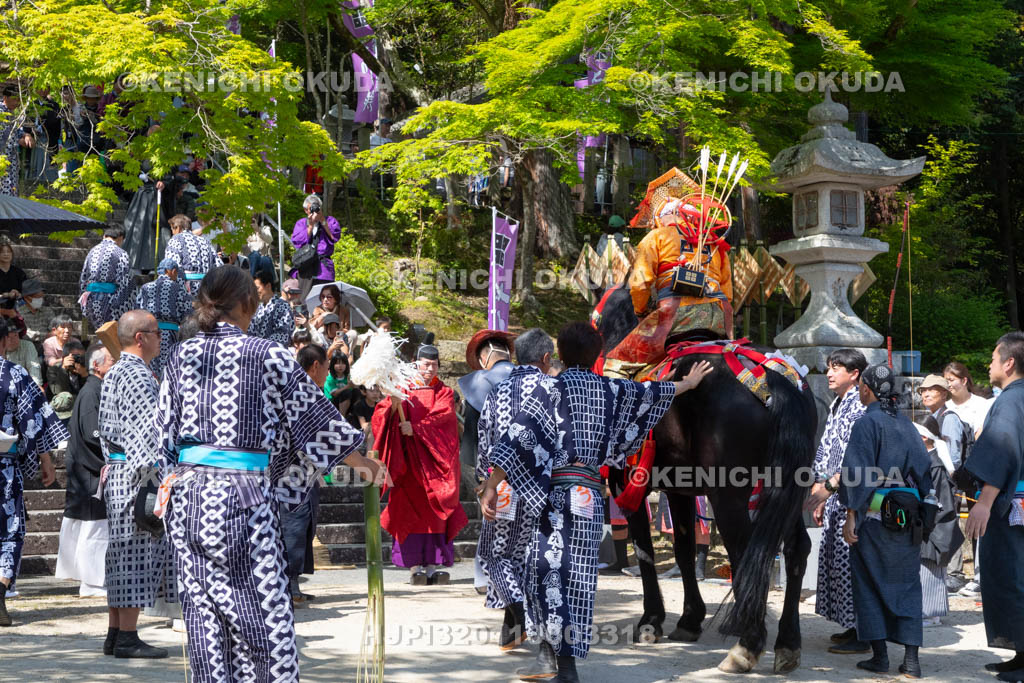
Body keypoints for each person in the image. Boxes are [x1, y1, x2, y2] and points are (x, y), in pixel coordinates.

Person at [154, 265, 383, 681]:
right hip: (242, 500)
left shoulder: (178, 357)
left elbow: (163, 437)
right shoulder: (267, 354)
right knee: (265, 626)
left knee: (207, 626)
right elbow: (312, 419)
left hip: (187, 501)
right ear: (246, 304)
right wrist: (360, 461)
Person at [479, 322, 712, 682]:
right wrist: (689, 384)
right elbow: (651, 393)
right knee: (579, 580)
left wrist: (492, 483)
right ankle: (564, 663)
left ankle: (561, 664)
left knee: (547, 575)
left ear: (558, 354)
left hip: (555, 496)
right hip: (589, 495)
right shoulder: (612, 389)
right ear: (597, 356)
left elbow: (520, 436)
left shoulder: (550, 388)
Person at [839, 364, 935, 679]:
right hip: (908, 518)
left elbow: (857, 474)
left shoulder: (867, 423)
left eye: (861, 386)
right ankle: (911, 662)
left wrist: (851, 514)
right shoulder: (908, 425)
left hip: (875, 517)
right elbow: (924, 473)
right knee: (906, 585)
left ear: (866, 388)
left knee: (867, 584)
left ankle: (880, 658)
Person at [98, 310, 175, 659]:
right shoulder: (138, 376)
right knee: (135, 554)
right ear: (141, 337)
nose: (162, 337)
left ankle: (116, 633)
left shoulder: (115, 371)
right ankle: (127, 635)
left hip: (117, 471)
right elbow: (148, 434)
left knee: (119, 555)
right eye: (157, 332)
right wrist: (158, 477)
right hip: (136, 476)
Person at [604, 190, 734, 380]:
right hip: (718, 319)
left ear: (665, 216)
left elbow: (640, 283)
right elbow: (727, 293)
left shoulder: (657, 236)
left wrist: (641, 312)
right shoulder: (714, 243)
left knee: (615, 366)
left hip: (676, 316)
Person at [476, 328, 549, 651]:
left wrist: (483, 485)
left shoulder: (499, 391)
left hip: (502, 485)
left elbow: (485, 442)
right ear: (546, 359)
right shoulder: (554, 388)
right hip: (545, 488)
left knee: (495, 555)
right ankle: (513, 625)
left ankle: (519, 615)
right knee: (529, 557)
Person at [372, 343, 467, 586]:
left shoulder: (444, 393)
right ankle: (415, 567)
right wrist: (392, 407)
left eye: (434, 365)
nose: (429, 369)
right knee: (409, 514)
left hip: (435, 466)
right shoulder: (402, 390)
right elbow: (380, 416)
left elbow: (443, 421)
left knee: (436, 514)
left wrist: (415, 428)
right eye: (425, 364)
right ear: (416, 363)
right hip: (408, 466)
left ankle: (433, 566)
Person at [964, 331, 1024, 682]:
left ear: (1009, 362)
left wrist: (984, 502)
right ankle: (1020, 652)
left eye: (992, 358)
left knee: (1013, 578)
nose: (988, 365)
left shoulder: (1009, 400)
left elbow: (1002, 450)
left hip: (1010, 503)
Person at [803, 349, 869, 654]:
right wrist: (819, 486)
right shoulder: (837, 402)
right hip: (832, 493)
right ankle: (852, 624)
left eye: (836, 368)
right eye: (829, 368)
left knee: (851, 562)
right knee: (835, 561)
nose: (830, 374)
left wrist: (828, 487)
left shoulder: (859, 405)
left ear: (854, 373)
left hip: (851, 493)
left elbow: (852, 457)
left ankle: (864, 630)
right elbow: (825, 446)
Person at [0, 339, 67, 626]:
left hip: (6, 461)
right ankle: (0, 588)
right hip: (4, 464)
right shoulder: (14, 374)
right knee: (10, 528)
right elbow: (32, 421)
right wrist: (46, 459)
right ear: (4, 342)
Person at [458, 328, 517, 594]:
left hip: (492, 465)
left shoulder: (478, 382)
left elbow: (473, 433)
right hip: (527, 463)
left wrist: (480, 476)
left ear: (484, 358)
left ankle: (484, 577)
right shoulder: (529, 377)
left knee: (491, 520)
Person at [55, 343, 114, 597]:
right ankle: (91, 582)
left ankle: (92, 580)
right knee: (95, 528)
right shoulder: (92, 392)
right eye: (112, 360)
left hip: (88, 468)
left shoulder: (95, 389)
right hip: (90, 470)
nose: (115, 364)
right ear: (97, 365)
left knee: (94, 527)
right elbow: (93, 433)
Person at [284, 344, 330, 606]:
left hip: (305, 472)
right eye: (325, 367)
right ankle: (288, 585)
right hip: (292, 473)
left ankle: (293, 583)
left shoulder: (306, 390)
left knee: (303, 527)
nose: (326, 372)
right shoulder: (300, 391)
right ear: (315, 366)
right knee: (294, 527)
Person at [914, 416, 963, 627]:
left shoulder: (935, 466)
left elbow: (942, 502)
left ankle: (931, 614)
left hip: (935, 525)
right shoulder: (927, 461)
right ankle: (925, 612)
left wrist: (926, 523)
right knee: (924, 569)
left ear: (924, 438)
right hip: (927, 522)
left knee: (930, 569)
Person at [135, 257, 193, 379]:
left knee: (150, 366)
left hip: (148, 333)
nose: (176, 276)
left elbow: (137, 309)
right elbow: (187, 313)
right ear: (170, 271)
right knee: (168, 368)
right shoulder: (177, 288)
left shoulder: (145, 287)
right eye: (176, 273)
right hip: (169, 334)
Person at [79, 225, 137, 331]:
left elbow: (83, 279)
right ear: (120, 237)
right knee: (110, 334)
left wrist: (85, 301)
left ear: (104, 236)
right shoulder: (121, 254)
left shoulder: (92, 252)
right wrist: (119, 304)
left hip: (91, 299)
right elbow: (126, 283)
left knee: (99, 332)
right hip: (110, 300)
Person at [290, 194, 341, 300]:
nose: (314, 211)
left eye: (317, 208)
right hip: (306, 266)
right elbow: (298, 243)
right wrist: (310, 225)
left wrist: (323, 221)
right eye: (311, 209)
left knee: (325, 299)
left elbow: (334, 237)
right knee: (303, 300)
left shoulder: (330, 221)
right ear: (305, 210)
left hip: (324, 267)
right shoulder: (301, 223)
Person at [917, 375, 968, 470]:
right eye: (923, 390)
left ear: (944, 395)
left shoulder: (949, 419)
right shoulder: (932, 418)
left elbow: (953, 460)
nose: (926, 394)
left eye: (931, 390)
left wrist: (947, 480)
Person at [164, 213, 222, 297]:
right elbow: (219, 265)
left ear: (178, 228)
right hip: (207, 291)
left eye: (172, 230)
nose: (172, 233)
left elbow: (171, 268)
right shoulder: (204, 241)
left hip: (186, 292)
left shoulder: (175, 240)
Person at [943, 361, 993, 439]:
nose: (948, 385)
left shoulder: (981, 404)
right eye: (946, 381)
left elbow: (980, 435)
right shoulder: (944, 405)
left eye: (951, 380)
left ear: (964, 381)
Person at [248, 265, 295, 346]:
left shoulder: (282, 306)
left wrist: (260, 344)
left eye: (257, 288)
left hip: (275, 353)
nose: (255, 292)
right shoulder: (258, 308)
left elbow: (283, 335)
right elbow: (251, 330)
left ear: (268, 286)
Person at [1, 85, 34, 196]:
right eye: (14, 99)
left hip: (12, 162)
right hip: (3, 161)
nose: (17, 103)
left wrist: (26, 135)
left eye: (19, 100)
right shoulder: (1, 112)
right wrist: (18, 140)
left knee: (11, 193)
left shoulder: (12, 114)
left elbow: (17, 131)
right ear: (5, 98)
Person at [47, 338, 88, 420]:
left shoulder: (87, 368)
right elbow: (58, 392)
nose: (78, 360)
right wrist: (63, 369)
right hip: (61, 410)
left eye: (81, 357)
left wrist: (84, 374)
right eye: (75, 357)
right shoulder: (54, 369)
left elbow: (88, 393)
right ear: (64, 358)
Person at [310, 284, 356, 352]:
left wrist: (336, 331)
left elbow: (347, 328)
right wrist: (322, 317)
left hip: (339, 336)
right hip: (324, 339)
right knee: (321, 330)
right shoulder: (317, 309)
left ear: (335, 299)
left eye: (329, 297)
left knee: (353, 333)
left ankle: (345, 356)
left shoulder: (344, 310)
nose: (325, 299)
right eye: (323, 297)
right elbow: (312, 328)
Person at [2, 321, 42, 387]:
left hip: (23, 385)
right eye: (9, 337)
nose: (13, 340)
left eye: (15, 335)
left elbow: (34, 368)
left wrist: (36, 387)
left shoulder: (27, 346)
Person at [15, 278, 54, 345]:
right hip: (26, 346)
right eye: (37, 297)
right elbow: (26, 334)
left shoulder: (48, 311)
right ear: (26, 298)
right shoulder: (19, 313)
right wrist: (47, 335)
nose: (40, 299)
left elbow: (54, 330)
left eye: (41, 296)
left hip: (47, 345)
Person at [0, 236, 27, 306]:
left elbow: (27, 291)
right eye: (2, 252)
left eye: (8, 252)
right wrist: (4, 295)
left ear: (12, 254)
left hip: (15, 307)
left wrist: (17, 293)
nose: (6, 254)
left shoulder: (19, 273)